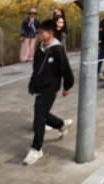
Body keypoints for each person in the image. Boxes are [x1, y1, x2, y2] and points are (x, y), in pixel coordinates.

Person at [23, 20, 75, 166]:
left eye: (41, 33)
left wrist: (67, 86)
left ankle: (36, 148)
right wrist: (32, 83)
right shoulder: (40, 48)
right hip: (39, 86)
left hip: (50, 87)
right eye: (38, 32)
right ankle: (61, 124)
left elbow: (65, 69)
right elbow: (36, 68)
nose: (39, 35)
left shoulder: (57, 49)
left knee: (39, 117)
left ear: (50, 33)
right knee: (43, 114)